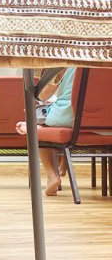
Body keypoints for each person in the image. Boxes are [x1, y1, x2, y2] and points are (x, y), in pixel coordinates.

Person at [16, 67, 76, 196]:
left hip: (67, 116)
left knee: (35, 116)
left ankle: (52, 175)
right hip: (105, 122)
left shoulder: (65, 63)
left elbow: (43, 95)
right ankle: (64, 163)